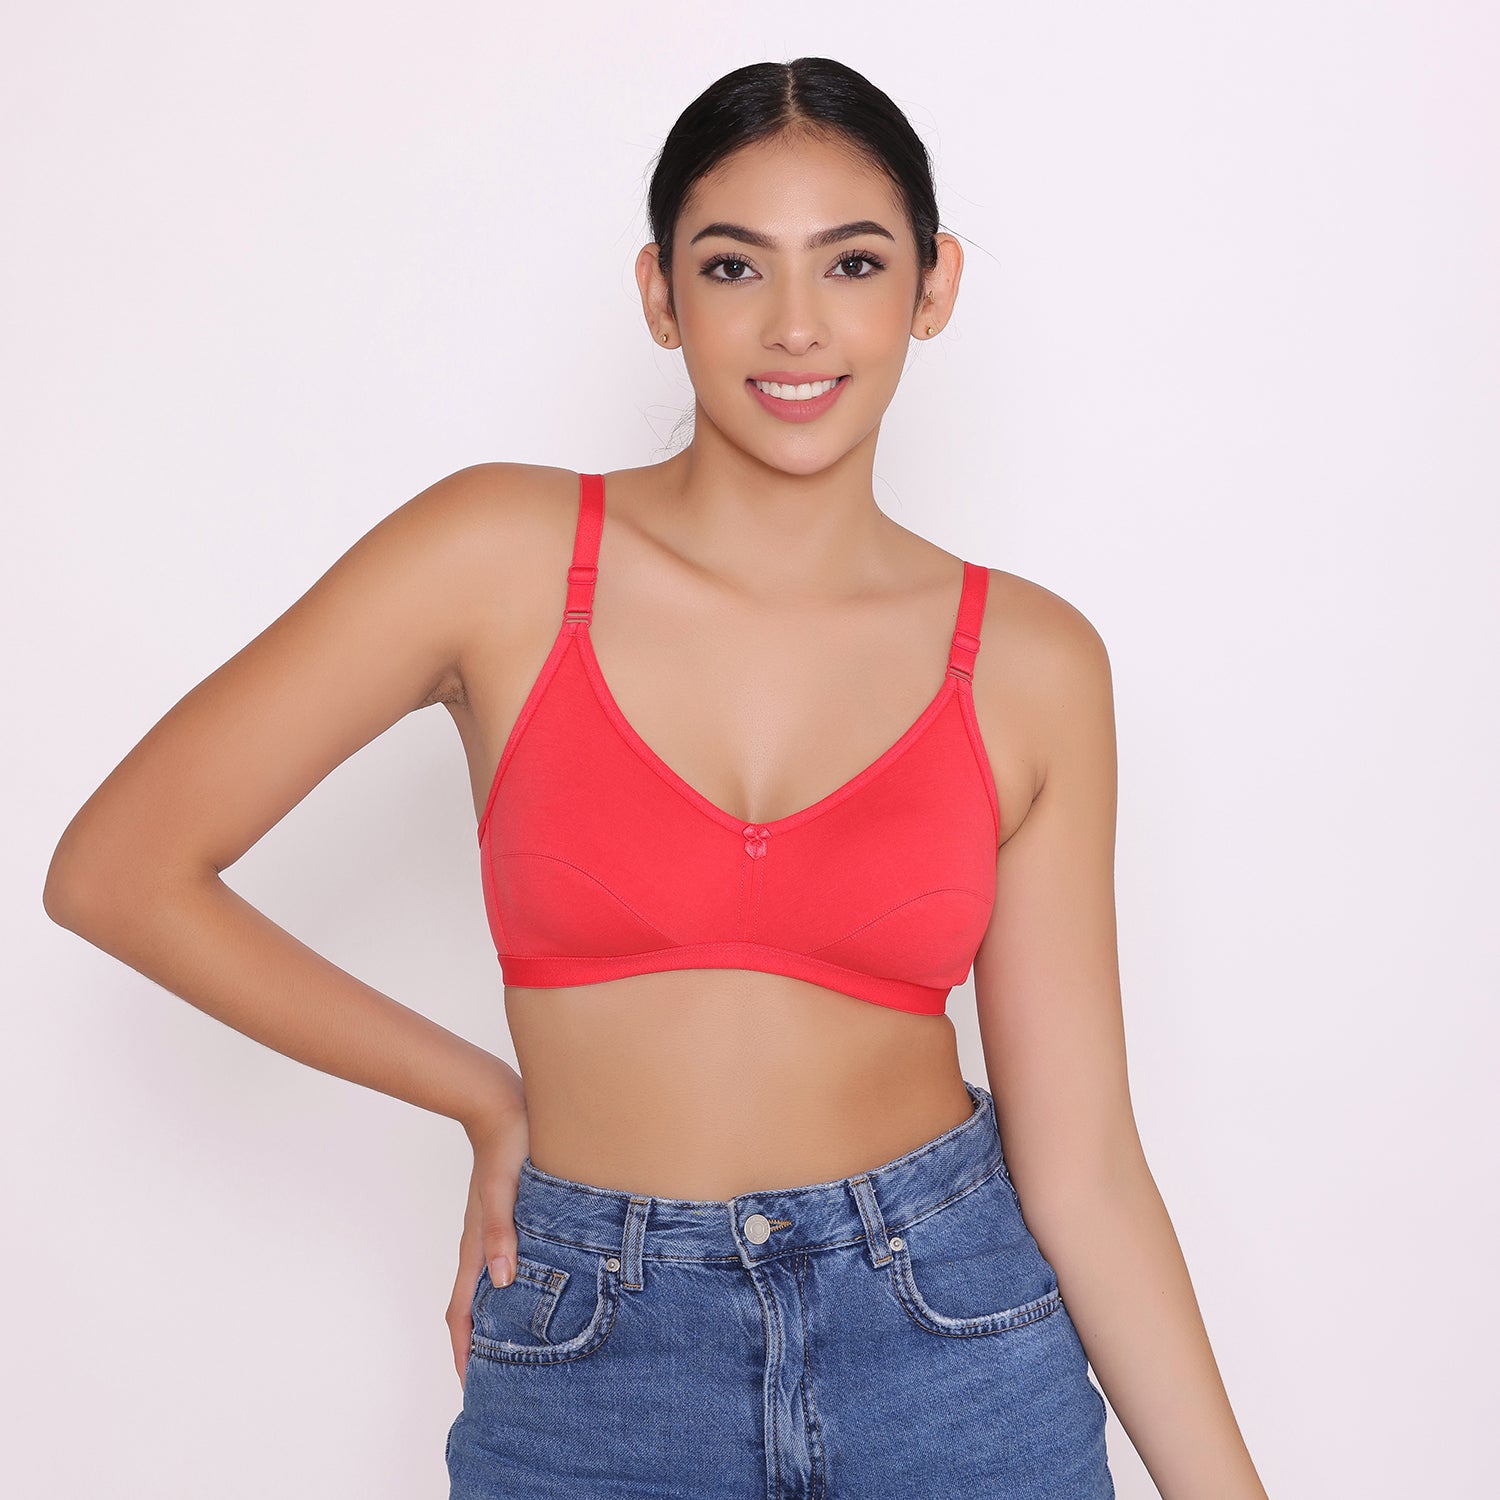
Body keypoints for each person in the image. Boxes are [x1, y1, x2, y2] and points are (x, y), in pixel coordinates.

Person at [43, 55, 1268, 1499]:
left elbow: (1086, 1167)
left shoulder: (1032, 662)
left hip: (951, 1343)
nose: (796, 323)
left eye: (854, 263)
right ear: (659, 294)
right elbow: (119, 872)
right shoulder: (495, 558)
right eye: (735, 265)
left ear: (932, 288)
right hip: (595, 1360)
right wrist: (482, 1097)